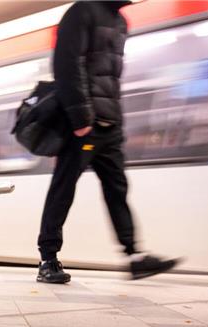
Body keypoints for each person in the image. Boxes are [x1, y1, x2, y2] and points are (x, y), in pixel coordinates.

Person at [36, 1, 179, 284]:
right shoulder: (81, 11)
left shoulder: (120, 21)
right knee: (63, 190)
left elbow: (111, 78)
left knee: (118, 189)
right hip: (83, 126)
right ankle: (47, 259)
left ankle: (134, 256)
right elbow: (67, 64)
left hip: (110, 125)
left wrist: (117, 122)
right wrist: (81, 120)